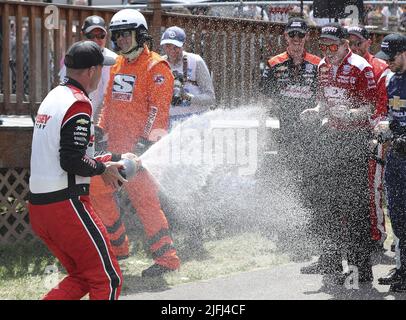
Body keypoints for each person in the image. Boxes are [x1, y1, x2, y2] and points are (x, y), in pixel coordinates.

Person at [28, 41, 129, 300]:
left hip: (41, 207)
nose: (103, 75)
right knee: (108, 279)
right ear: (92, 70)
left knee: (83, 276)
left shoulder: (53, 97)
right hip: (66, 205)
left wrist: (108, 161)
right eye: (102, 69)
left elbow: (65, 153)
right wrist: (102, 169)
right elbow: (71, 160)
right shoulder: (79, 104)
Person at [90, 9, 181, 277]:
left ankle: (167, 260)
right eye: (118, 36)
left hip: (140, 151)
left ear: (140, 35)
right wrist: (99, 127)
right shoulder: (117, 64)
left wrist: (143, 145)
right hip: (114, 149)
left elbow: (159, 110)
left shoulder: (156, 67)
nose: (122, 41)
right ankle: (118, 249)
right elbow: (109, 103)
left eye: (126, 35)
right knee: (97, 192)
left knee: (146, 203)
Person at [300, 23, 376, 284]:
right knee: (327, 202)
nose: (327, 51)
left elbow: (371, 108)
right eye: (323, 45)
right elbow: (324, 101)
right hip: (332, 136)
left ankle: (359, 269)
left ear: (345, 44)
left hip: (355, 139)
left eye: (333, 45)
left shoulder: (360, 67)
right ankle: (331, 260)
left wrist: (353, 114)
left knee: (354, 205)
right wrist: (316, 111)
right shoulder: (322, 66)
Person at [259, 18, 321, 205]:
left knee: (311, 172)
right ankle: (287, 209)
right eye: (292, 34)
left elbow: (322, 96)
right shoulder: (274, 62)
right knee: (286, 170)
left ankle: (310, 210)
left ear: (306, 37)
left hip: (311, 130)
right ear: (286, 36)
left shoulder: (317, 64)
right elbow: (264, 95)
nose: (296, 39)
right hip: (285, 129)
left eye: (300, 35)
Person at [347, 26, 390, 250]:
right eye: (351, 43)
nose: (355, 47)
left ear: (369, 42)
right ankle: (356, 234)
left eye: (359, 43)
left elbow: (383, 107)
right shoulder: (345, 66)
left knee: (374, 187)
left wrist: (376, 132)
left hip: (374, 135)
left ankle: (376, 236)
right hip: (350, 134)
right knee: (352, 187)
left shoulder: (380, 68)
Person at [374, 34, 406, 292]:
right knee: (396, 215)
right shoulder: (391, 80)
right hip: (395, 160)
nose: (388, 63)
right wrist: (383, 128)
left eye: (392, 58)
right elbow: (389, 116)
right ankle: (402, 268)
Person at [59, 15, 117, 123]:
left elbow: (110, 98)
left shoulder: (115, 60)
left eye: (101, 35)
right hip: (77, 118)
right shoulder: (73, 56)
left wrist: (98, 124)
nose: (96, 40)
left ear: (106, 35)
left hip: (104, 124)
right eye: (91, 35)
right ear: (83, 35)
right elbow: (66, 90)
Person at [160, 26, 216, 128]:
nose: (172, 50)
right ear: (163, 46)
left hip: (196, 118)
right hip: (170, 120)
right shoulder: (159, 64)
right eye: (168, 46)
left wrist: (187, 97)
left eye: (176, 46)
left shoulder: (196, 61)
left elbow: (211, 98)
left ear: (183, 45)